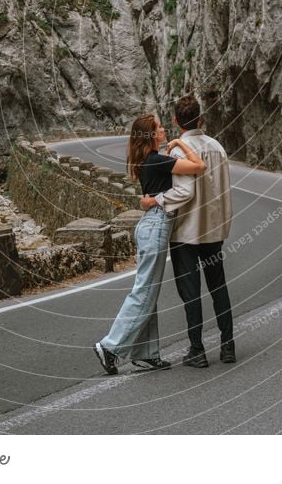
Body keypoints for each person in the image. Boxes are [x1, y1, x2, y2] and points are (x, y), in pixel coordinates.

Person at [93, 113, 205, 374]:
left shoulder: (149, 160)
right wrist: (181, 143)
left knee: (148, 292)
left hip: (151, 225)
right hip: (155, 226)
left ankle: (146, 354)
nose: (163, 129)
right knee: (144, 291)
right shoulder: (158, 161)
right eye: (158, 128)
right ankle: (110, 346)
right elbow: (198, 166)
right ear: (151, 135)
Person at [141, 94, 235, 367]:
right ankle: (227, 346)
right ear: (201, 118)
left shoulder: (177, 152)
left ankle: (197, 349)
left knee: (190, 291)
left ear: (175, 121)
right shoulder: (217, 147)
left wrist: (155, 200)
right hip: (213, 231)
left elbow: (184, 191)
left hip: (186, 231)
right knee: (218, 285)